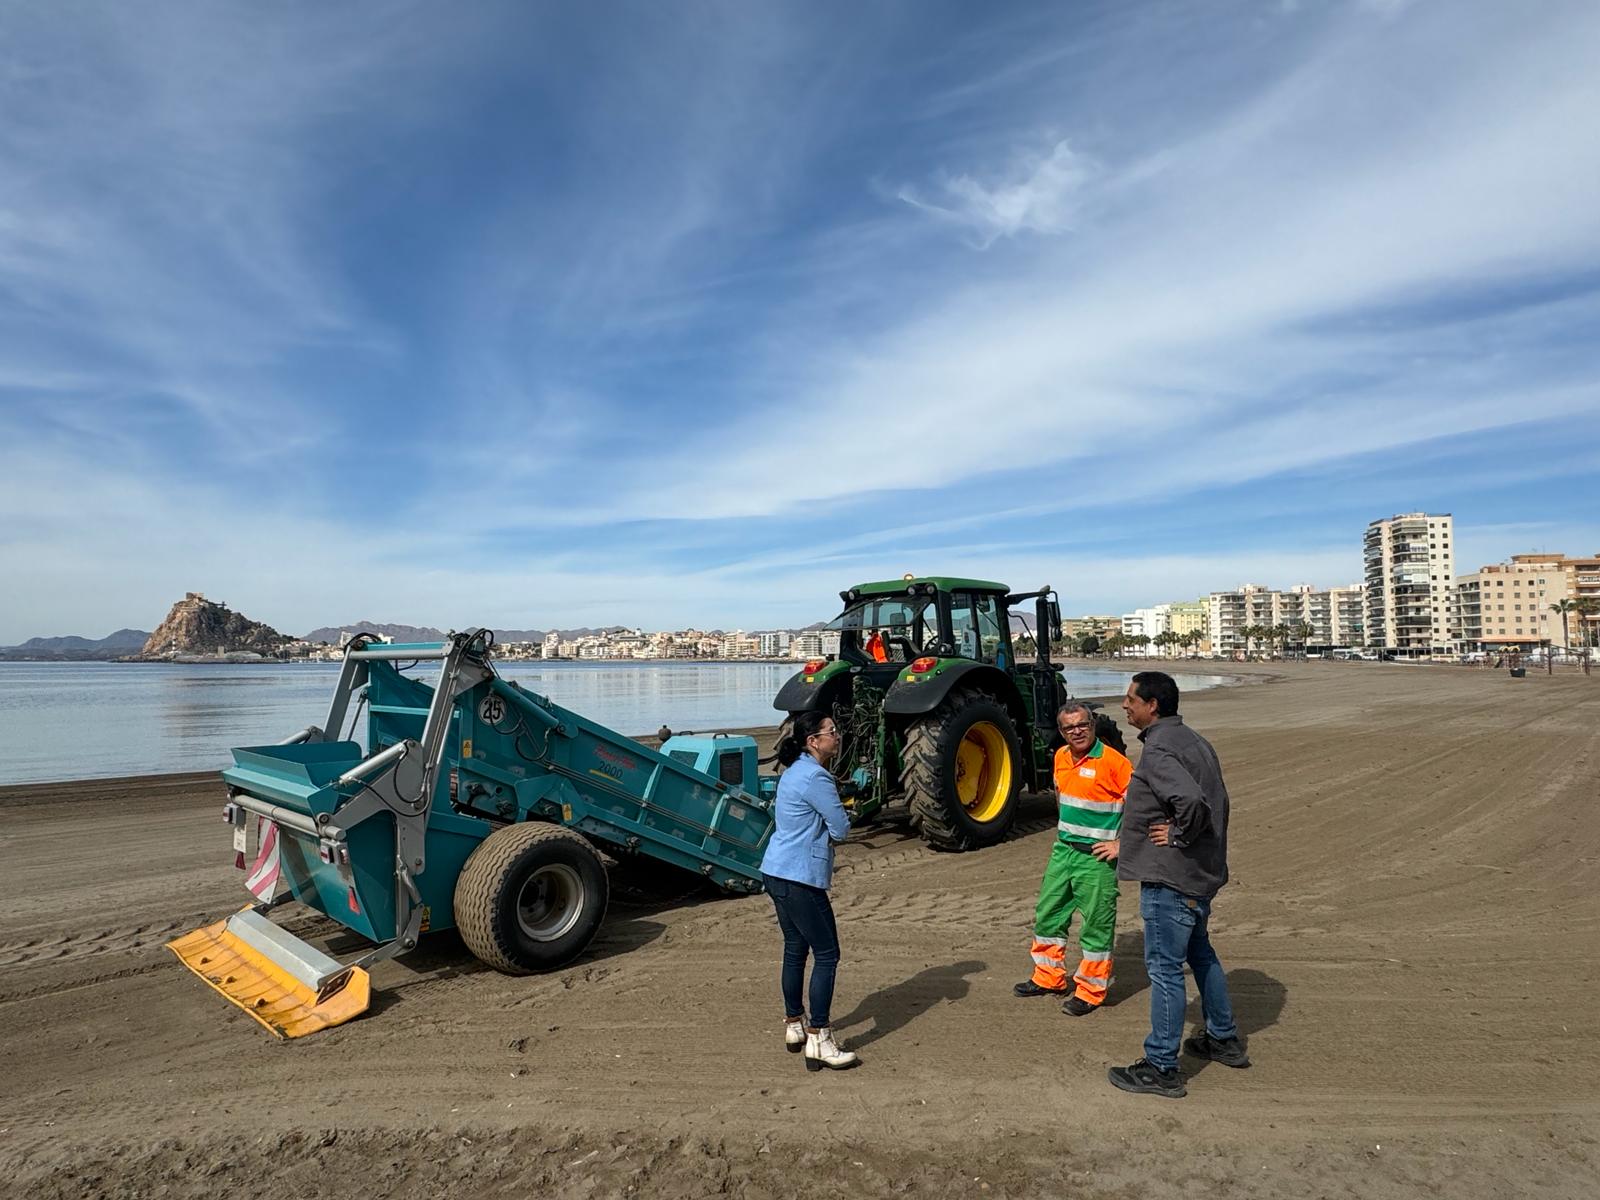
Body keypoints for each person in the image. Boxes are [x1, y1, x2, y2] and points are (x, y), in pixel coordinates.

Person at [1108, 671, 1249, 1099]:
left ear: (1153, 706)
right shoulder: (1192, 740)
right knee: (1200, 954)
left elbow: (1190, 801)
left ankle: (1161, 1066)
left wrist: (1178, 835)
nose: (1125, 705)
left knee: (1164, 969)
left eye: (1131, 699)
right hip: (1198, 873)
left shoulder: (1161, 749)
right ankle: (1222, 1038)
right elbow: (1216, 800)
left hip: (1173, 876)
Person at [1013, 702, 1131, 1015]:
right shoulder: (1062, 757)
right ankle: (1048, 977)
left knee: (1096, 924)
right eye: (1069, 728)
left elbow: (1142, 808)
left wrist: (1121, 843)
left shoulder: (1114, 763)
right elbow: (1061, 797)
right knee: (1049, 913)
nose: (1077, 731)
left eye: (1082, 725)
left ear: (1092, 725)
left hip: (1096, 857)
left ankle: (1091, 991)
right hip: (1064, 850)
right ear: (1062, 732)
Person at [759, 710, 859, 1071]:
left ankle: (794, 1024)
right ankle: (820, 1036)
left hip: (776, 871)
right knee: (828, 954)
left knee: (795, 949)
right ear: (813, 741)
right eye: (831, 731)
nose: (838, 736)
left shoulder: (793, 771)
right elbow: (842, 829)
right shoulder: (817, 777)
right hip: (800, 876)